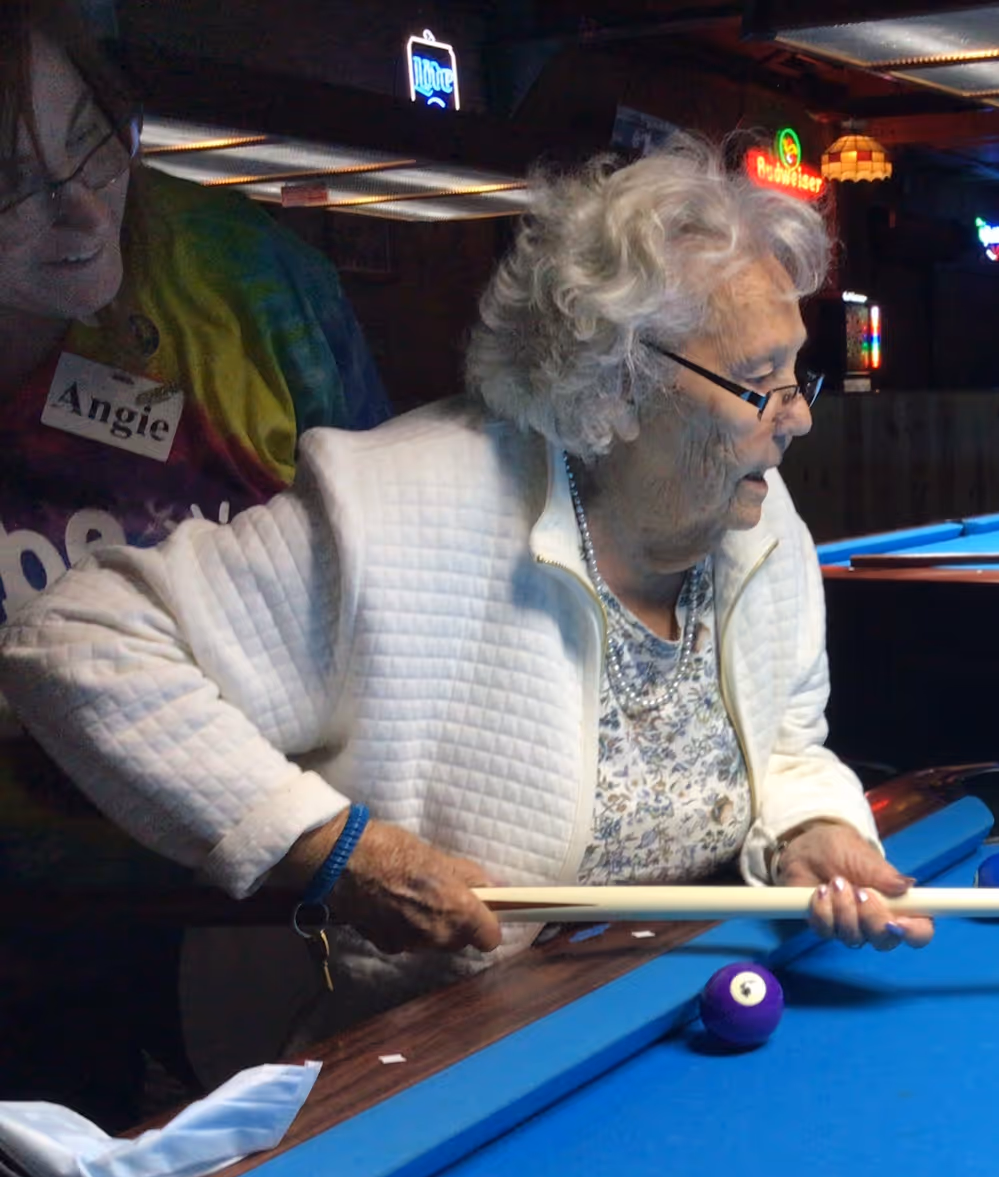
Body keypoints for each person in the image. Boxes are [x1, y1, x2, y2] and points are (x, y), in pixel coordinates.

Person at [1, 132, 932, 1080]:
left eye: (796, 373)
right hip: (402, 1056)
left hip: (658, 1022)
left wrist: (814, 830)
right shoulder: (401, 506)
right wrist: (336, 851)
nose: (801, 415)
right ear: (615, 385)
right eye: (760, 381)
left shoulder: (763, 519)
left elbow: (784, 744)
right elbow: (74, 644)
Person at [0, 0, 389, 1125]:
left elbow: (384, 575)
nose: (79, 209)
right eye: (7, 183)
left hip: (262, 896)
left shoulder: (248, 285)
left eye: (89, 139)